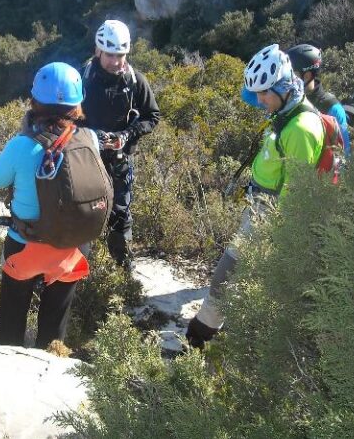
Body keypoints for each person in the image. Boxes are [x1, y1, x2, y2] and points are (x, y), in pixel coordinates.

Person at [186, 44, 325, 349]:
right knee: (230, 276)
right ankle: (208, 335)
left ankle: (200, 338)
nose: (259, 101)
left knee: (227, 276)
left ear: (282, 86)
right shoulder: (287, 109)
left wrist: (277, 242)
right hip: (262, 211)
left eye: (264, 93)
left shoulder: (301, 128)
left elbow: (295, 195)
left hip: (271, 219)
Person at [0, 62, 98, 349]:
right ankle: (50, 355)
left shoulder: (22, 145)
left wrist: (23, 138)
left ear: (35, 100)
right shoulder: (90, 139)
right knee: (56, 319)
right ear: (77, 103)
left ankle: (6, 358)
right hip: (71, 247)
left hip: (25, 243)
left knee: (12, 314)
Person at [81, 19, 160, 270]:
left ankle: (121, 266)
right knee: (84, 211)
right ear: (98, 51)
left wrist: (126, 136)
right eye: (111, 55)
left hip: (119, 160)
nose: (116, 61)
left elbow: (152, 116)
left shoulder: (134, 80)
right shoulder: (84, 77)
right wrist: (92, 135)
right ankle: (81, 266)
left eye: (121, 55)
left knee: (120, 213)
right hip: (86, 157)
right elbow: (67, 115)